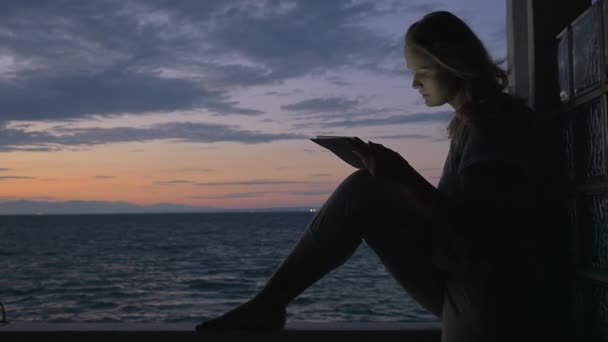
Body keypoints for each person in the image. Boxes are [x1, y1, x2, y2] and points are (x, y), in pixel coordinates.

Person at [196, 11, 576, 342]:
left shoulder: (494, 126)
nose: (414, 84)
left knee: (364, 190)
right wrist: (393, 179)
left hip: (493, 299)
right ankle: (268, 305)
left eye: (421, 73)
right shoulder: (477, 123)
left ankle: (267, 306)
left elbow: (476, 235)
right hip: (470, 283)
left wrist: (402, 177)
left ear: (452, 65)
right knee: (367, 188)